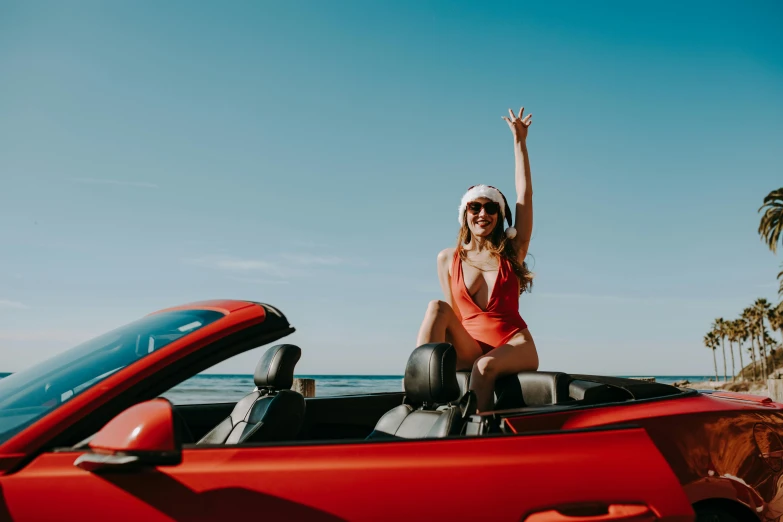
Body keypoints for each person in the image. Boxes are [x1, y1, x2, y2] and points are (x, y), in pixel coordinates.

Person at [416, 107, 538, 412]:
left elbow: (525, 197)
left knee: (485, 368)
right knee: (436, 308)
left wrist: (519, 142)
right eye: (475, 207)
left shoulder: (514, 250)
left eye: (490, 208)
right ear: (465, 215)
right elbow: (454, 316)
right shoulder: (448, 259)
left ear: (499, 215)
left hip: (514, 344)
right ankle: (421, 394)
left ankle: (476, 435)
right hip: (470, 347)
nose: (483, 213)